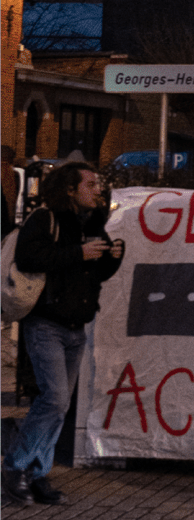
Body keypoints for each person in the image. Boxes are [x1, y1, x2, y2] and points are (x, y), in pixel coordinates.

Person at [2, 163, 125, 506]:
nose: (97, 190)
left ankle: (37, 473)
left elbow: (95, 274)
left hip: (75, 327)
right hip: (46, 323)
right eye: (90, 184)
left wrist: (112, 257)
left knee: (59, 405)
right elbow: (29, 258)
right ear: (70, 189)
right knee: (54, 400)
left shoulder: (93, 222)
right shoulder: (45, 219)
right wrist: (78, 252)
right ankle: (15, 467)